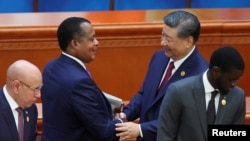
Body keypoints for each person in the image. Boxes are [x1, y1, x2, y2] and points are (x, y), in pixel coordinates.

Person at [115, 10, 208, 141]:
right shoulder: (159, 57)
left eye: (168, 39)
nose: (162, 42)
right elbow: (144, 94)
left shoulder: (201, 76)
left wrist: (141, 129)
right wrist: (126, 114)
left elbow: (183, 123)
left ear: (188, 41)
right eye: (162, 35)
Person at [41, 17, 122, 141]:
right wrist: (122, 121)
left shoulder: (50, 67)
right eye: (91, 39)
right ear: (75, 44)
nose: (97, 42)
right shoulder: (80, 82)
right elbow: (104, 131)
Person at [157, 46, 245, 141]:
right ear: (216, 71)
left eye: (236, 80)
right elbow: (165, 136)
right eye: (230, 79)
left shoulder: (237, 96)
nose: (233, 84)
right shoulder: (178, 92)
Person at [0, 59, 42, 141]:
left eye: (40, 88)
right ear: (16, 86)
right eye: (35, 89)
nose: (38, 95)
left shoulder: (31, 109)